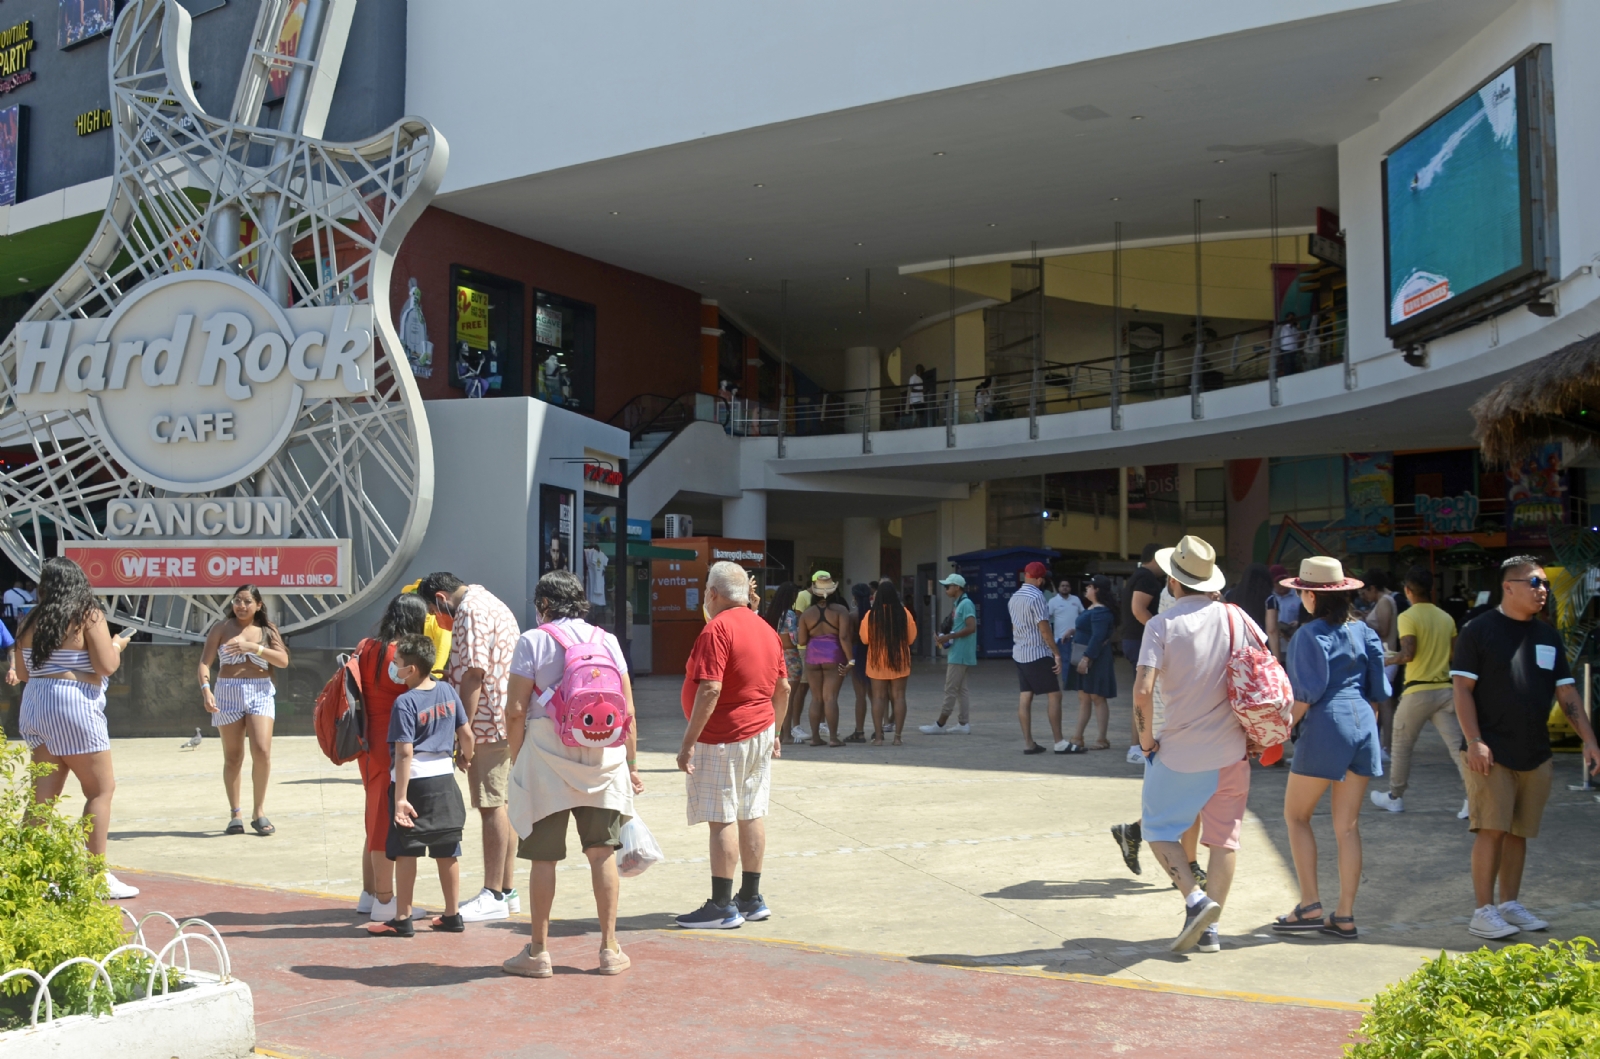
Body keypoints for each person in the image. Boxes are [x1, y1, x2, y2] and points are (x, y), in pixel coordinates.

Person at [502, 570, 642, 977]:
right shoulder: (609, 641)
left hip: (546, 756)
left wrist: (517, 759)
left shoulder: (533, 640)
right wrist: (630, 765)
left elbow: (514, 710)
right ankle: (610, 950)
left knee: (543, 859)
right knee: (602, 856)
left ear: (542, 604)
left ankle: (538, 953)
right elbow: (628, 712)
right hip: (602, 758)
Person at [1452, 556, 1600, 940]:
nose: (1543, 590)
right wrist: (1474, 741)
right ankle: (1482, 910)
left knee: (1518, 832)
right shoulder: (1478, 631)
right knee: (1491, 829)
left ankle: (1508, 904)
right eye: (1535, 583)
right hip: (1491, 752)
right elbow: (1462, 691)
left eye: (1545, 584)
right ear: (1509, 587)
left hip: (1535, 752)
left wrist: (1590, 740)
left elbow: (1566, 693)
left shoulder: (1548, 635)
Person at [1133, 535, 1250, 953]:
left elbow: (1143, 691)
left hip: (1181, 753)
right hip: (1234, 751)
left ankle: (1195, 898)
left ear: (1172, 581)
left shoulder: (1161, 626)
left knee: (1157, 829)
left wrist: (1146, 740)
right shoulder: (1238, 618)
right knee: (1224, 840)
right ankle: (1211, 931)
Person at [1273, 558, 1387, 941]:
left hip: (1327, 725)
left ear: (1311, 595)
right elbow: (1378, 691)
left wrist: (1276, 732)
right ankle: (1345, 916)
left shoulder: (1309, 634)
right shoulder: (1365, 631)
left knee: (1296, 817)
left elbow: (1305, 696)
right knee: (1347, 826)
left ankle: (1309, 905)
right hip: (1363, 726)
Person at [15, 557, 138, 898]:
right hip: (74, 706)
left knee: (42, 799)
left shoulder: (31, 619)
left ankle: (29, 875)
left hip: (36, 705)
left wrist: (62, 671)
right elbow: (107, 665)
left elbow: (24, 674)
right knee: (99, 790)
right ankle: (95, 875)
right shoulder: (88, 614)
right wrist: (117, 644)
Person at [675, 561, 787, 929]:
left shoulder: (717, 629)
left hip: (723, 735)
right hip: (760, 731)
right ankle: (751, 897)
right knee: (751, 812)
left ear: (713, 593)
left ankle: (722, 905)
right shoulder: (766, 629)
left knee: (721, 817)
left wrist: (688, 743)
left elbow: (710, 688)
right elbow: (783, 689)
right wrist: (777, 732)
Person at [419, 572, 523, 923]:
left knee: (490, 805)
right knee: (503, 805)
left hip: (486, 723)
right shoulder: (493, 601)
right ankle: (506, 890)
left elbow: (474, 675)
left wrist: (461, 731)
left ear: (440, 598)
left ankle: (492, 892)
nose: (438, 621)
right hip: (506, 719)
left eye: (435, 614)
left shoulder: (469, 612)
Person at [367, 635, 473, 937]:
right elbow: (465, 733)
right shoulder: (447, 692)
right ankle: (452, 914)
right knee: (447, 847)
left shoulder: (405, 702)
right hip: (444, 780)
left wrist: (400, 797)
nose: (395, 669)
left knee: (406, 850)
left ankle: (403, 917)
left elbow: (404, 751)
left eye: (398, 665)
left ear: (411, 669)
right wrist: (466, 757)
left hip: (414, 782)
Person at [1370, 567, 1472, 816]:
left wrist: (1386, 660)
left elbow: (1408, 654)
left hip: (1417, 692)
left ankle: (1395, 796)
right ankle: (1475, 797)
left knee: (1402, 746)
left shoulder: (1408, 617)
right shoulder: (1446, 618)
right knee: (1458, 748)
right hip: (1445, 691)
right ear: (1432, 590)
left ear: (1407, 591)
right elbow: (1453, 656)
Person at [356, 592, 429, 923]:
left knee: (374, 818)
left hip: (367, 743)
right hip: (391, 745)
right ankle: (385, 901)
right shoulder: (397, 656)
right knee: (385, 822)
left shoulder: (366, 646)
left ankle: (370, 893)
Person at [198, 585, 290, 836]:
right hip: (227, 691)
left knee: (261, 750)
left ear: (258, 605)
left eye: (247, 601)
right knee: (233, 756)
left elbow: (282, 661)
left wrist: (254, 648)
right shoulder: (221, 628)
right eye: (237, 601)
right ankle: (235, 814)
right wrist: (206, 689)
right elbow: (205, 663)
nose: (241, 606)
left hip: (260, 690)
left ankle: (258, 811)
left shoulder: (266, 630)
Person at [1010, 561, 1063, 754]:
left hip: (1020, 653)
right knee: (1055, 695)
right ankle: (1059, 742)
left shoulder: (1014, 598)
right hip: (1037, 653)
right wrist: (1056, 653)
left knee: (1026, 696)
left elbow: (1014, 627)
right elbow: (1044, 629)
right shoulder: (1037, 597)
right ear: (1040, 579)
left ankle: (1029, 742)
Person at [795, 572, 852, 747]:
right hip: (834, 655)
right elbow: (843, 637)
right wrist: (851, 660)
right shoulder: (840, 611)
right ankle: (833, 738)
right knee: (830, 698)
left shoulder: (806, 614)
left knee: (816, 698)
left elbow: (802, 640)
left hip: (812, 656)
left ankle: (815, 737)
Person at [1121, 544, 1165, 763]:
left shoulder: (1140, 576)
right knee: (1143, 694)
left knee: (1142, 693)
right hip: (1139, 641)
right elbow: (1139, 609)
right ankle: (1136, 747)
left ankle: (1137, 746)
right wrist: (1158, 635)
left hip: (1134, 640)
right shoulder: (1146, 578)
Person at [859, 579, 917, 745]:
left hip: (877, 660)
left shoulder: (871, 615)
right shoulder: (904, 613)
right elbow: (911, 638)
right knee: (899, 697)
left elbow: (864, 639)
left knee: (878, 697)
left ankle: (878, 737)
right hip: (899, 659)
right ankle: (898, 737)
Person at [1063, 576, 1117, 752]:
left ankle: (1101, 738)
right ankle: (1078, 737)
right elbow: (1090, 631)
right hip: (1087, 656)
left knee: (1097, 697)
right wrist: (1074, 631)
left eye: (1090, 587)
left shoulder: (1101, 611)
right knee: (1084, 696)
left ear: (1097, 590)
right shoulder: (1093, 609)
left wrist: (1087, 658)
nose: (1087, 589)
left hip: (1095, 658)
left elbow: (1098, 636)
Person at [924, 573, 976, 734]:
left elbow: (971, 627)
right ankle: (963, 723)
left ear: (957, 587)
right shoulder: (959, 604)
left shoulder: (965, 604)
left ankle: (940, 724)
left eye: (948, 586)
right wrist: (944, 636)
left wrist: (949, 636)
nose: (946, 589)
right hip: (959, 651)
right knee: (961, 689)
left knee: (951, 689)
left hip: (960, 653)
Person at [1361, 569, 1400, 754]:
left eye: (1365, 591)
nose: (1364, 596)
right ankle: (1384, 745)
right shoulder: (1384, 601)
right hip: (1384, 657)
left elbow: (1383, 630)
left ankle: (1387, 746)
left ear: (1373, 588)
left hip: (1386, 657)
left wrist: (1363, 621)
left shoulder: (1385, 601)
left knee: (1384, 703)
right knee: (1383, 702)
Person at [762, 583, 804, 743]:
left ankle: (772, 732)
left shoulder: (771, 614)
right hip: (790, 657)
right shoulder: (790, 615)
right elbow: (795, 639)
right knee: (788, 698)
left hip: (772, 656)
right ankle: (785, 734)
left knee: (773, 697)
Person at [846, 581, 875, 741]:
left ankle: (859, 731)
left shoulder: (852, 616)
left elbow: (849, 638)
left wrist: (848, 659)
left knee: (860, 695)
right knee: (876, 695)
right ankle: (879, 729)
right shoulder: (874, 614)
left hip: (857, 653)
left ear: (855, 598)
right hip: (872, 654)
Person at [1047, 579, 1084, 684]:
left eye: (1067, 586)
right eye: (1062, 586)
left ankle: (1076, 682)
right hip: (1061, 638)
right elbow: (1046, 618)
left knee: (1077, 660)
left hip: (1077, 636)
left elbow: (1083, 614)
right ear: (1058, 588)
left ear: (1070, 588)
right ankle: (1067, 682)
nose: (1065, 587)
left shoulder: (1076, 599)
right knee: (1065, 660)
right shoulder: (1053, 601)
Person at [1265, 563, 1303, 661]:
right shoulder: (1268, 598)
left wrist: (1298, 623)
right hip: (1274, 647)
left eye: (1283, 580)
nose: (1281, 584)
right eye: (1277, 581)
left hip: (1294, 646)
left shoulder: (1299, 596)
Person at [1226, 563, 1273, 631]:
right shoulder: (1269, 599)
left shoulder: (1229, 594)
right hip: (1260, 636)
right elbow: (1272, 629)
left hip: (1236, 634)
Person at [1276, 312, 1303, 376]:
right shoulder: (1283, 328)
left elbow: (1301, 336)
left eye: (1293, 318)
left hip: (1294, 350)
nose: (1292, 319)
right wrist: (1278, 351)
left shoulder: (1294, 329)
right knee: (1288, 367)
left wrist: (1299, 327)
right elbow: (1278, 339)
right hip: (1286, 350)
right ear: (1286, 318)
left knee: (1293, 367)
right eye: (1291, 317)